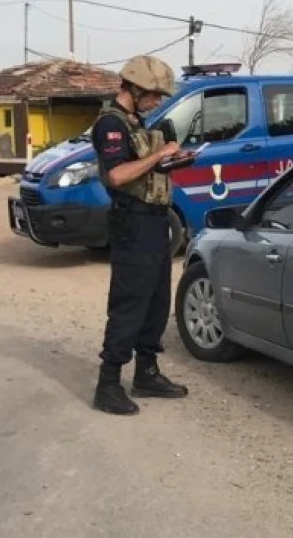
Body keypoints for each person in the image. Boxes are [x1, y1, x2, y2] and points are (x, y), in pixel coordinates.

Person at [90, 54, 189, 415]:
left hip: (154, 220)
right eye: (154, 93)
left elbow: (144, 169)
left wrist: (174, 160)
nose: (158, 101)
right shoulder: (110, 125)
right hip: (132, 223)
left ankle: (147, 372)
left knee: (156, 299)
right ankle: (108, 384)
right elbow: (117, 175)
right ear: (133, 88)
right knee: (130, 302)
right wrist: (160, 154)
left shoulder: (136, 121)